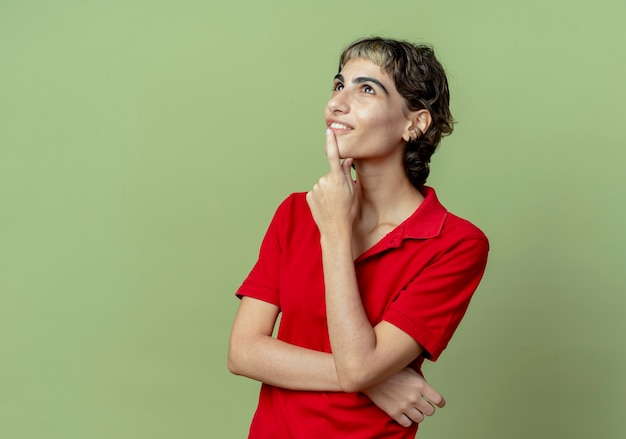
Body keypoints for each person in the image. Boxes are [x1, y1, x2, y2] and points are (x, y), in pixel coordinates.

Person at [228, 37, 489, 438]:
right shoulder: (297, 212)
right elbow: (243, 352)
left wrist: (335, 233)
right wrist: (378, 381)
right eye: (338, 85)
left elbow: (358, 367)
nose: (337, 103)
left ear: (414, 123)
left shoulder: (456, 244)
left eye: (366, 89)